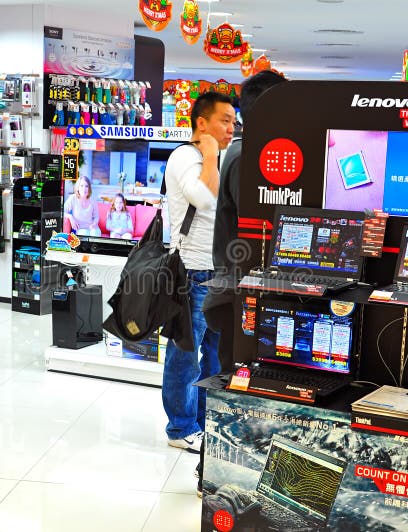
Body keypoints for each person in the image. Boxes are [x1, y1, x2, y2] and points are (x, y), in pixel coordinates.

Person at [162, 91, 235, 455]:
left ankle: (206, 421)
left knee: (217, 355)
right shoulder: (185, 157)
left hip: (220, 271)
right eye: (224, 120)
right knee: (185, 354)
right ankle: (181, 426)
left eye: (234, 121)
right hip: (192, 272)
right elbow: (203, 199)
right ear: (201, 123)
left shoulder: (219, 159)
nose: (231, 128)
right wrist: (208, 154)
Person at [203, 70, 287, 373]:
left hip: (250, 287)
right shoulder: (246, 155)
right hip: (239, 292)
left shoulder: (256, 150)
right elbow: (253, 224)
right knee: (235, 376)